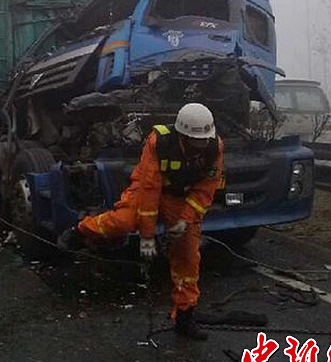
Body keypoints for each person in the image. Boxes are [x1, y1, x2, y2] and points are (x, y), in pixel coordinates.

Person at [59, 102, 224, 340]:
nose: (200, 147)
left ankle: (185, 315)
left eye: (203, 141)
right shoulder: (159, 143)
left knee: (187, 254)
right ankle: (81, 231)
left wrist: (185, 221)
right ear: (182, 135)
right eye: (195, 141)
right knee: (123, 222)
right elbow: (149, 190)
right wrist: (147, 238)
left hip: (179, 198)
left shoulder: (214, 148)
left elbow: (205, 190)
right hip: (146, 191)